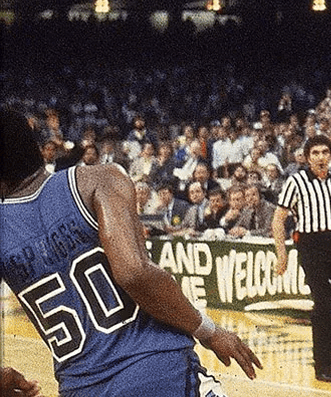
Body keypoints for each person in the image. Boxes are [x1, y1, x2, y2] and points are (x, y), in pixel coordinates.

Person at [0, 108, 261, 395]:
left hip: (82, 386)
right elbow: (134, 273)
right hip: (158, 370)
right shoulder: (97, 180)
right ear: (36, 145)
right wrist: (210, 331)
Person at [272, 134, 331, 383]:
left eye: (325, 152)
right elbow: (278, 219)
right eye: (316, 153)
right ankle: (323, 366)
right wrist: (282, 254)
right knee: (323, 305)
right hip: (310, 245)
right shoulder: (296, 181)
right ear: (307, 157)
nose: (321, 157)